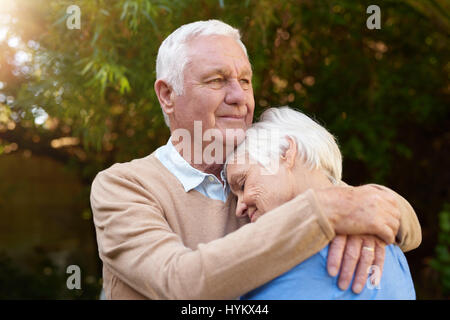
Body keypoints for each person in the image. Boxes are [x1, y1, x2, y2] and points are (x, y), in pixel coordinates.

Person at [89, 20, 421, 299]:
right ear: (167, 95)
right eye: (217, 80)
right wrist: (330, 213)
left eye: (245, 81)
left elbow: (396, 221)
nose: (239, 97)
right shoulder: (123, 186)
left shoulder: (261, 167)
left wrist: (368, 210)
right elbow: (180, 282)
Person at [225, 106, 416, 299]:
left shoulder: (302, 263)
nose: (239, 208)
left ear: (286, 152)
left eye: (242, 184)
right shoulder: (392, 250)